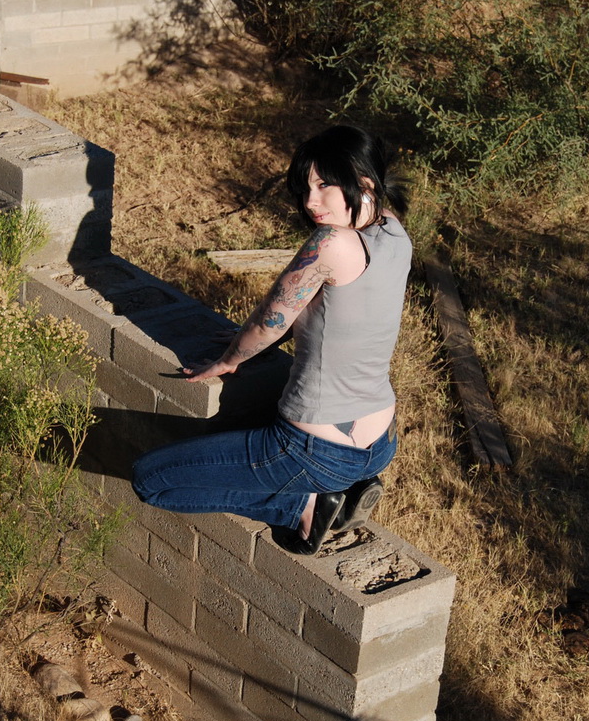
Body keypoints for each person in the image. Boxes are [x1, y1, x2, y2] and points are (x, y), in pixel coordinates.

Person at [131, 124, 411, 555]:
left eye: (324, 185)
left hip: (316, 450)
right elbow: (337, 315)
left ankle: (303, 506)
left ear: (364, 182)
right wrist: (255, 340)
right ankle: (344, 487)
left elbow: (272, 320)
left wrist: (229, 358)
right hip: (380, 443)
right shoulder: (393, 230)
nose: (311, 201)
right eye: (305, 188)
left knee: (151, 480)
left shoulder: (333, 242)